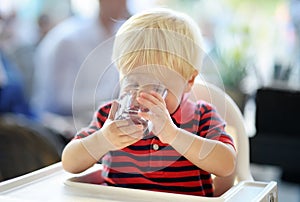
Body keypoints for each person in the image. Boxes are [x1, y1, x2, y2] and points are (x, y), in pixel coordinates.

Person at [62, 8, 236, 197]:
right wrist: (103, 140)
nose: (141, 96)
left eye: (156, 88)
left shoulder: (202, 117)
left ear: (189, 81)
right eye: (132, 83)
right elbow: (69, 162)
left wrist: (173, 135)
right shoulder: (110, 117)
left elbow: (227, 164)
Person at [31, 0, 130, 137]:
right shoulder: (68, 39)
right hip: (61, 128)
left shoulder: (121, 35)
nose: (124, 5)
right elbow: (60, 100)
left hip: (100, 123)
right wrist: (110, 97)